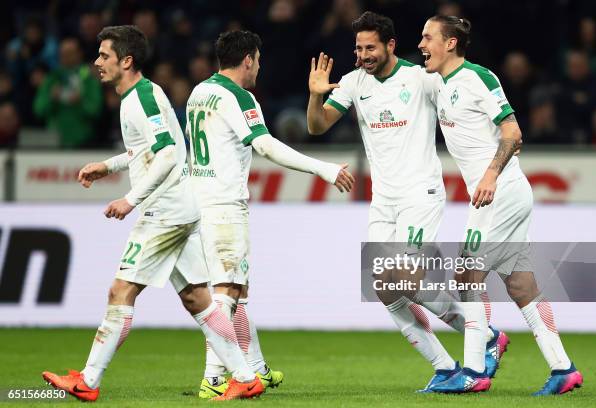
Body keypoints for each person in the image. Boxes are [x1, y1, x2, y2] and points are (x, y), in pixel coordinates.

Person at [41, 25, 264, 402]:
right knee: (198, 299)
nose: (96, 62)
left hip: (166, 211)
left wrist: (131, 199)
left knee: (120, 290)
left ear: (126, 61)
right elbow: (155, 149)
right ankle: (245, 376)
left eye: (104, 56)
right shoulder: (143, 95)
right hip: (181, 206)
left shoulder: (140, 99)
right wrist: (109, 166)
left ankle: (89, 381)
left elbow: (167, 155)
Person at [306, 11, 508, 392]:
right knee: (384, 287)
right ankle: (447, 365)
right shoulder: (352, 82)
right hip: (383, 200)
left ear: (390, 45)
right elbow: (317, 126)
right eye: (358, 48)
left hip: (421, 194)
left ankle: (481, 334)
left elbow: (457, 95)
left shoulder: (421, 78)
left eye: (370, 47)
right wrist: (316, 97)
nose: (363, 54)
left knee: (405, 277)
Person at [418, 15, 583, 395]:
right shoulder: (438, 84)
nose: (422, 44)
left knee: (466, 274)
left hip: (500, 191)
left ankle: (475, 371)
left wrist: (490, 175)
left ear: (451, 44)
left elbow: (513, 131)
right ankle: (563, 369)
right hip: (498, 193)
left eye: (428, 37)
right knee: (521, 285)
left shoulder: (479, 78)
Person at [187, 30, 355, 399]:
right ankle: (214, 379)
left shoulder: (200, 91)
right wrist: (322, 169)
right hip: (223, 206)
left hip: (200, 203)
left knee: (238, 292)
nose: (259, 68)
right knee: (226, 293)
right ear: (248, 59)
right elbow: (265, 146)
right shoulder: (238, 96)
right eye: (258, 60)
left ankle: (257, 369)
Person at [33, 37, 103, 147]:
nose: (65, 57)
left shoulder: (88, 78)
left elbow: (95, 111)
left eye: (70, 53)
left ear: (79, 54)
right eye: (62, 53)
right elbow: (39, 110)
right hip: (54, 142)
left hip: (83, 142)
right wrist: (52, 99)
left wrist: (79, 102)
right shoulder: (52, 78)